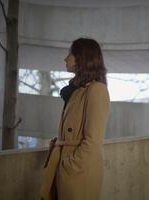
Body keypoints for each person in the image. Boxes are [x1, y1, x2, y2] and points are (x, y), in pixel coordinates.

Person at [41, 38, 110, 200]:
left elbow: (93, 141)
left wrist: (70, 166)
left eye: (71, 53)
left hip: (79, 172)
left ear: (83, 58)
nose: (66, 58)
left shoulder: (97, 90)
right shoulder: (77, 90)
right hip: (68, 166)